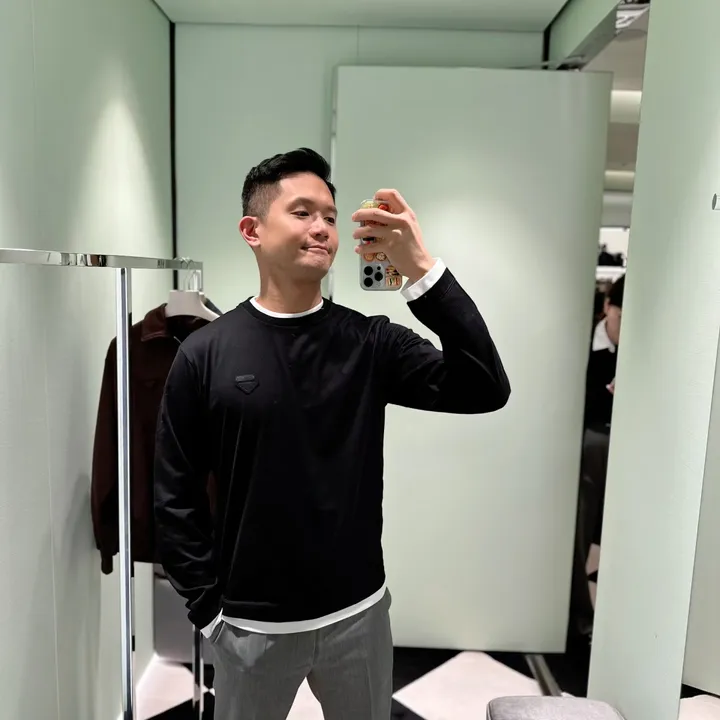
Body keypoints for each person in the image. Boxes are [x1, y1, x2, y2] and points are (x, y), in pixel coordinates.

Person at [154, 148, 511, 719]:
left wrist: (420, 269)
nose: (321, 227)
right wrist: (209, 612)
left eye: (329, 216)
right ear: (252, 230)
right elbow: (175, 494)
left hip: (358, 615)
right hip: (250, 626)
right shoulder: (205, 353)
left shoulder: (369, 342)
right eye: (302, 212)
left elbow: (485, 387)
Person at [568, 274, 624, 643]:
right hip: (590, 441)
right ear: (607, 307)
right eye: (621, 316)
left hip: (635, 443)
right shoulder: (584, 343)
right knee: (580, 529)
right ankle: (580, 617)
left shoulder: (646, 347)